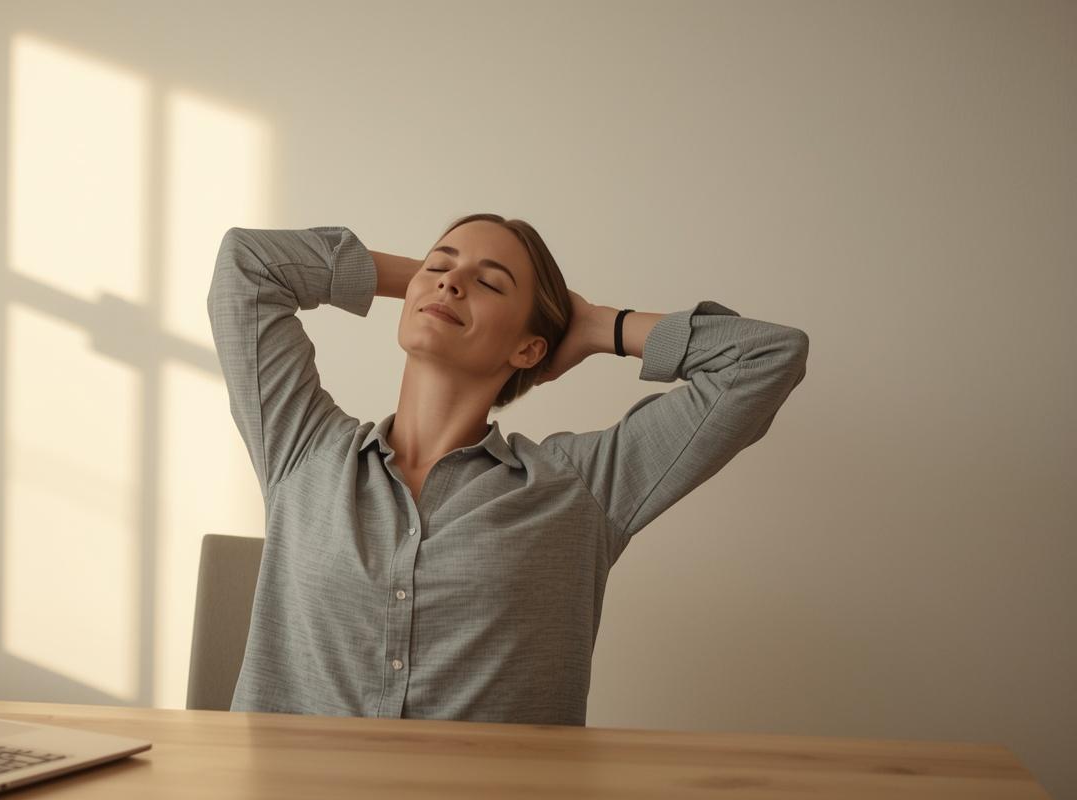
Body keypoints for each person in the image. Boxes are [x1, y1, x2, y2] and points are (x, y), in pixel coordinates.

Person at [206, 214, 809, 726]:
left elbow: (765, 357)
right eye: (440, 264)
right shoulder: (300, 448)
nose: (452, 281)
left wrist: (596, 323)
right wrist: (422, 280)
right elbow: (249, 263)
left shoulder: (579, 488)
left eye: (490, 283)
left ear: (528, 349)